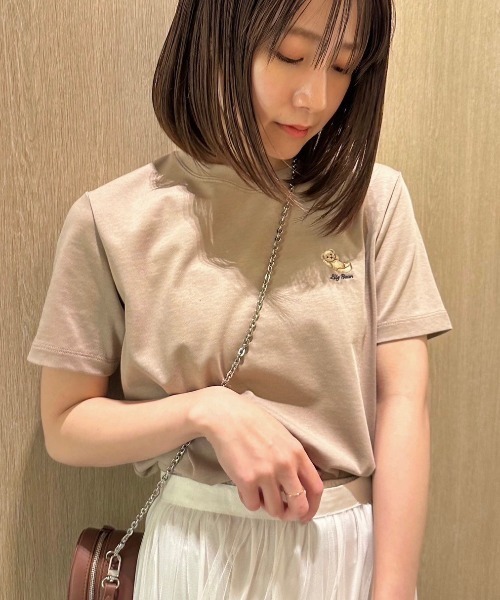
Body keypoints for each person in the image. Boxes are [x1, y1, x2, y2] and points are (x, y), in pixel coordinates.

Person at [28, 0, 452, 598]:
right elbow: (66, 425)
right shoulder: (113, 219)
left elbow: (404, 400)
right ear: (217, 41)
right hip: (193, 555)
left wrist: (395, 590)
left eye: (341, 66)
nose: (314, 98)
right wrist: (207, 411)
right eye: (291, 55)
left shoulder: (373, 203)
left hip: (343, 551)